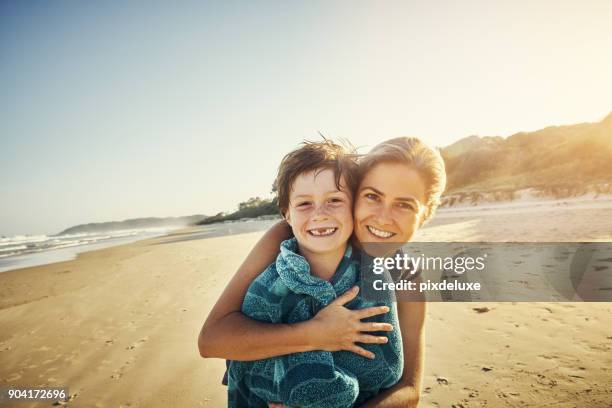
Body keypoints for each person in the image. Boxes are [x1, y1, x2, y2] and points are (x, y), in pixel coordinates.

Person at [199, 137, 447, 407]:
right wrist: (315, 334)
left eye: (404, 204)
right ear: (356, 197)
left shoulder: (405, 277)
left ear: (425, 214)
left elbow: (410, 389)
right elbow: (212, 339)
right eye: (372, 196)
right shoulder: (290, 239)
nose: (382, 217)